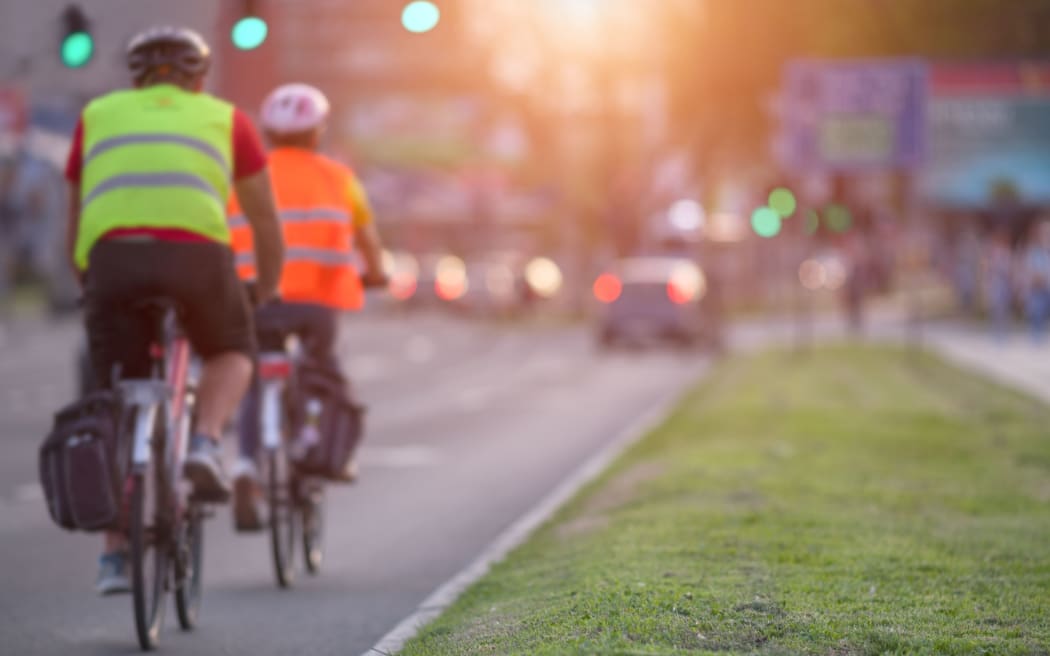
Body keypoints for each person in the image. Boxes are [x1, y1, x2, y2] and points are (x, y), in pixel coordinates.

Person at [63, 26, 284, 594]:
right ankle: (206, 441)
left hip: (113, 262)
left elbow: (77, 209)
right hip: (198, 259)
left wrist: (87, 277)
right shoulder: (227, 119)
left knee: (115, 396)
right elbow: (263, 219)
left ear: (135, 78)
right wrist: (266, 287)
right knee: (233, 351)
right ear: (200, 78)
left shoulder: (98, 115)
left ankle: (113, 557)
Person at [226, 83, 387, 531]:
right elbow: (369, 242)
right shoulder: (340, 178)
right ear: (318, 132)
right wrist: (377, 274)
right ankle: (314, 438)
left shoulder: (243, 178)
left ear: (267, 133)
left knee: (256, 379)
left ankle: (245, 467)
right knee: (322, 373)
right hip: (317, 304)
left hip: (256, 299)